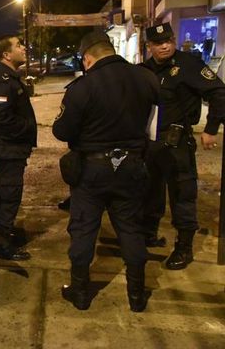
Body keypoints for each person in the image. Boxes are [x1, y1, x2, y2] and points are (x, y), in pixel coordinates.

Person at [53, 31, 159, 312]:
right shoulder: (146, 78)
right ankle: (137, 296)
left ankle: (80, 293)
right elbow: (156, 123)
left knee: (84, 229)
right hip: (132, 166)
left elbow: (62, 131)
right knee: (131, 228)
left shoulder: (82, 88)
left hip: (92, 170)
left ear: (87, 58)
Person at [142, 22, 225, 270]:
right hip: (149, 144)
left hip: (177, 143)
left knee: (182, 195)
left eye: (168, 40)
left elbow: (219, 93)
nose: (165, 45)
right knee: (149, 192)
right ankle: (149, 235)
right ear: (149, 47)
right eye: (158, 43)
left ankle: (184, 247)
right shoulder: (144, 70)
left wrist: (211, 129)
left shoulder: (188, 64)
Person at [0, 35, 37, 260]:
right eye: (19, 45)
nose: (24, 48)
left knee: (5, 194)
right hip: (8, 149)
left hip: (10, 148)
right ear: (6, 54)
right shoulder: (3, 80)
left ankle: (1, 233)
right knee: (9, 195)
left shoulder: (8, 77)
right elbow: (1, 118)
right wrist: (27, 128)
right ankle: (4, 244)